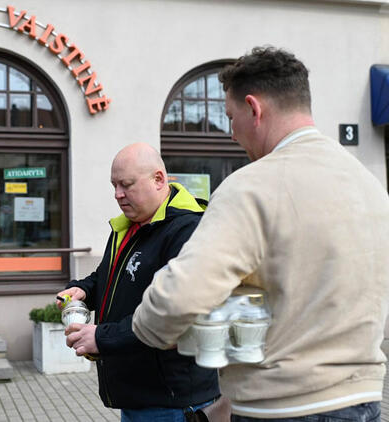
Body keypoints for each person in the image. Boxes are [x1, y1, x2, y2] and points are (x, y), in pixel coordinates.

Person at [132, 46, 389, 421]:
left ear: (254, 108)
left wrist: (147, 328)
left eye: (231, 117)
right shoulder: (370, 186)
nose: (232, 133)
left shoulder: (250, 187)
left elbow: (177, 298)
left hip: (283, 407)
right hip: (362, 399)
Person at [56, 142, 224, 422]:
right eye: (114, 186)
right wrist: (84, 290)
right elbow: (108, 276)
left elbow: (173, 316)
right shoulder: (130, 224)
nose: (118, 195)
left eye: (127, 185)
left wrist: (101, 337)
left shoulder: (187, 230)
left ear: (159, 179)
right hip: (140, 401)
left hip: (174, 404)